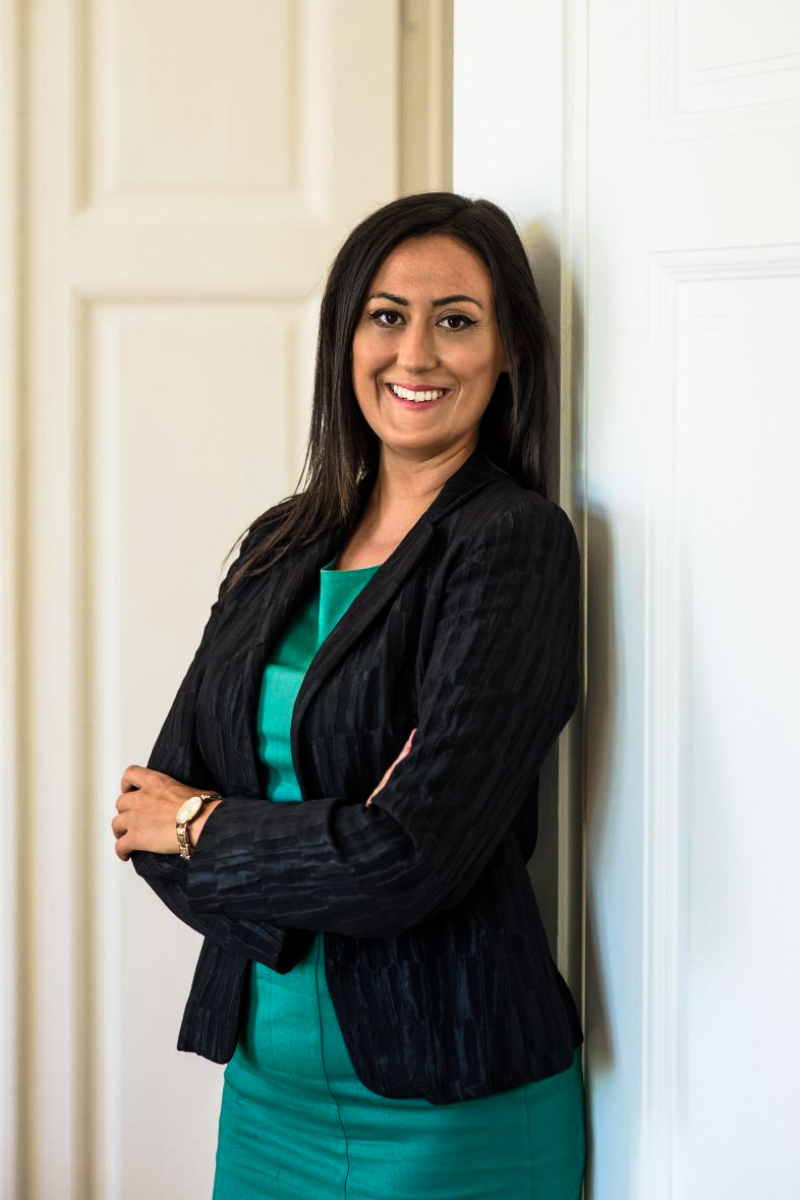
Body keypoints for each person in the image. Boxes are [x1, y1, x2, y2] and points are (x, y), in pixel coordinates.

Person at [111, 191, 586, 1199]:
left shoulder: (512, 543)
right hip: (264, 1099)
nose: (415, 353)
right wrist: (332, 844)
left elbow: (407, 862)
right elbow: (142, 817)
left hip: (454, 1112)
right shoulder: (279, 542)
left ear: (507, 350)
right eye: (386, 315)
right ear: (345, 338)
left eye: (454, 320)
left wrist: (204, 824)